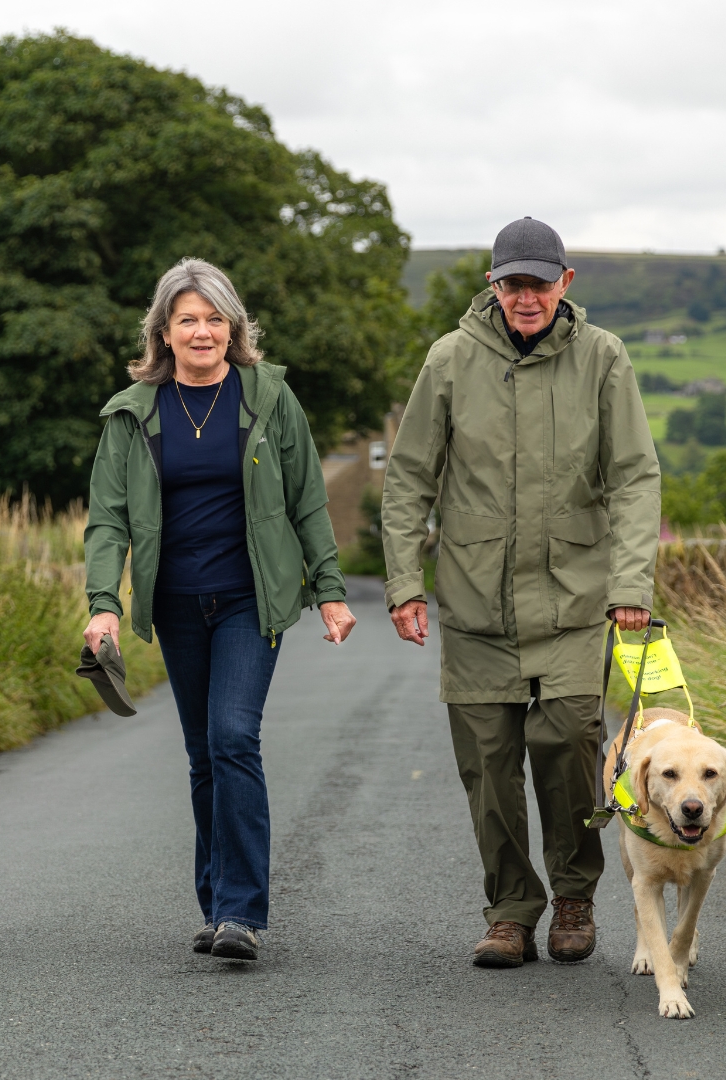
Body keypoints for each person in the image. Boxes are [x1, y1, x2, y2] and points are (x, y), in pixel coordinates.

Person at [381, 218, 661, 969]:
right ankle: (510, 911)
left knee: (570, 741)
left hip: (573, 599)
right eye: (513, 283)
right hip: (475, 600)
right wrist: (405, 581)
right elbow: (409, 477)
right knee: (489, 763)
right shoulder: (449, 360)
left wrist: (631, 583)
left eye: (540, 282)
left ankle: (574, 896)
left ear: (565, 284)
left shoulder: (604, 358)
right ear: (492, 284)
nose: (526, 297)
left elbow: (634, 475)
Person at [83, 257, 357, 962]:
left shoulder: (268, 398)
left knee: (234, 736)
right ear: (164, 332)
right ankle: (215, 904)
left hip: (249, 599)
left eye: (213, 319)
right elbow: (107, 519)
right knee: (203, 754)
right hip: (174, 602)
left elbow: (307, 500)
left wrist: (328, 591)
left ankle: (241, 912)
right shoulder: (131, 412)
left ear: (233, 327)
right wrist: (104, 605)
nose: (201, 332)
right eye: (186, 320)